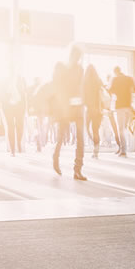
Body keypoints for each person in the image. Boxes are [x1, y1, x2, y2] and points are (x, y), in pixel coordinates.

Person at [52, 45, 87, 181]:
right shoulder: (60, 66)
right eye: (75, 56)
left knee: (80, 139)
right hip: (64, 108)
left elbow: (80, 87)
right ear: (70, 55)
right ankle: (55, 157)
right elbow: (56, 87)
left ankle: (77, 170)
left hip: (77, 107)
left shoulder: (80, 69)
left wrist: (81, 101)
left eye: (79, 57)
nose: (77, 60)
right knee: (61, 137)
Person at [0, 65, 27, 156]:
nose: (12, 72)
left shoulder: (21, 79)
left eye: (14, 70)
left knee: (20, 126)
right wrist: (0, 105)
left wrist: (26, 107)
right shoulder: (3, 81)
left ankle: (18, 142)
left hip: (19, 106)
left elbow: (25, 93)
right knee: (10, 126)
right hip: (8, 106)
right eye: (10, 70)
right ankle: (12, 150)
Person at [110, 66, 135, 158]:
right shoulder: (129, 78)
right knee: (126, 128)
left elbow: (110, 91)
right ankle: (127, 147)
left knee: (121, 129)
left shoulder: (115, 79)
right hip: (129, 106)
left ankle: (123, 150)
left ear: (115, 72)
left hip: (120, 106)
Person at [84, 65, 105, 159]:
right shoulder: (99, 81)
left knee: (87, 129)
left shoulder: (85, 82)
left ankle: (94, 144)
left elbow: (83, 96)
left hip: (89, 109)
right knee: (95, 130)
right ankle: (96, 150)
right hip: (98, 110)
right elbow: (104, 93)